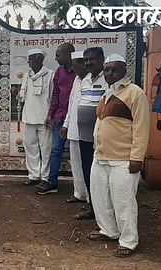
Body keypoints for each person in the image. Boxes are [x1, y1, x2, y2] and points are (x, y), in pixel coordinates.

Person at [87, 53, 149, 258]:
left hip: (123, 159)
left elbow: (141, 127)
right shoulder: (107, 93)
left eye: (114, 69)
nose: (109, 73)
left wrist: (137, 158)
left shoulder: (134, 93)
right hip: (101, 156)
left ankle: (129, 241)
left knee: (124, 201)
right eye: (107, 69)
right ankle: (108, 230)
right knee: (99, 197)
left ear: (124, 71)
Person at [37, 43, 75, 195]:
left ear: (68, 55)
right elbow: (56, 95)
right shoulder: (59, 71)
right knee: (56, 150)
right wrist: (51, 114)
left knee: (78, 152)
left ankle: (84, 187)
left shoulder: (80, 71)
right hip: (60, 117)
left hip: (77, 118)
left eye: (58, 55)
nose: (56, 58)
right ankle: (52, 182)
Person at [73, 47, 106, 220]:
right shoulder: (85, 80)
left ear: (102, 59)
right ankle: (93, 207)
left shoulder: (107, 78)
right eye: (86, 60)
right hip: (84, 136)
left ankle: (103, 210)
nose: (88, 63)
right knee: (88, 171)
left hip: (102, 138)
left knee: (101, 174)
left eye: (92, 59)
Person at [18, 49, 54, 187]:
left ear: (40, 59)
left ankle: (45, 176)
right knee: (30, 147)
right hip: (29, 116)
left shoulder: (50, 74)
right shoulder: (27, 75)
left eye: (32, 58)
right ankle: (33, 176)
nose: (29, 62)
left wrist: (50, 115)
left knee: (46, 149)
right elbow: (23, 94)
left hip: (44, 117)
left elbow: (52, 96)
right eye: (29, 59)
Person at [60, 51, 89, 204]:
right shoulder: (77, 80)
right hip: (73, 129)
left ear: (83, 64)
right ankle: (79, 193)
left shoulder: (94, 80)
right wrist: (65, 125)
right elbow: (71, 105)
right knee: (76, 164)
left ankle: (91, 198)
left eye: (75, 65)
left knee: (88, 165)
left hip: (89, 131)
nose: (72, 68)